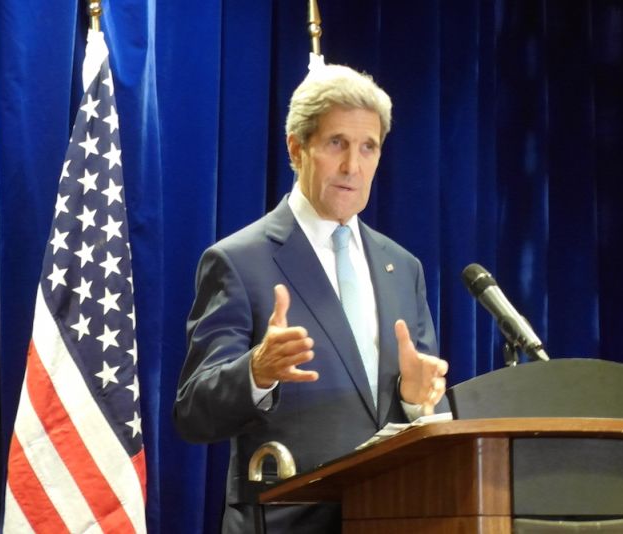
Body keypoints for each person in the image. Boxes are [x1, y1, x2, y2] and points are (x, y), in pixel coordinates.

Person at [173, 64, 449, 533]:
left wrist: (421, 403)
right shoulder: (238, 260)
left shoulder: (402, 267)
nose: (353, 167)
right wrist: (256, 371)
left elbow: (425, 410)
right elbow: (194, 412)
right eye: (337, 143)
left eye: (368, 147)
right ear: (296, 148)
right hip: (283, 521)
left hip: (390, 516)